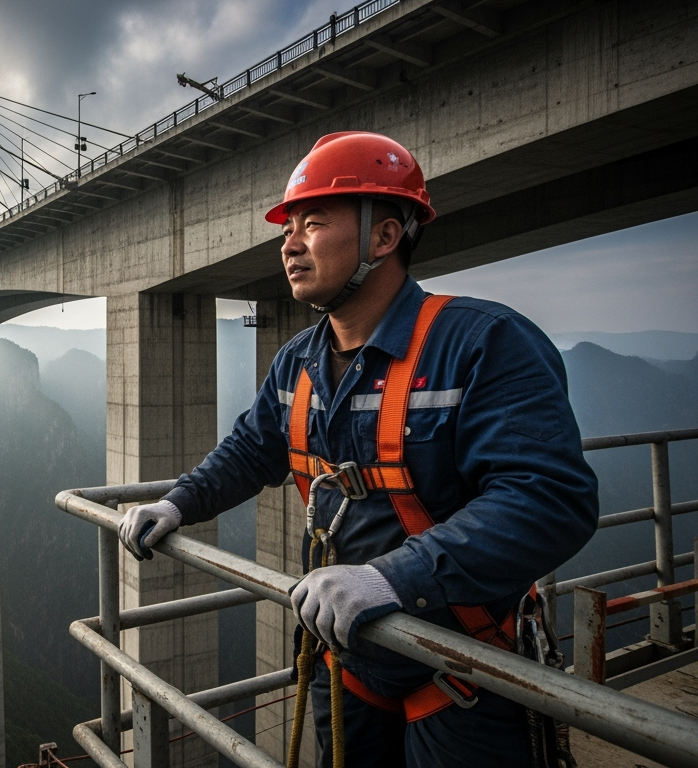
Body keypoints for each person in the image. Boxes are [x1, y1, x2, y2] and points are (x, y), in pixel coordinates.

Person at [116, 132, 599, 767]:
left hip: (460, 670)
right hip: (343, 661)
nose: (289, 245)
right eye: (289, 228)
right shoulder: (299, 363)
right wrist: (180, 503)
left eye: (312, 224)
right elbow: (251, 448)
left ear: (384, 237)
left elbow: (549, 500)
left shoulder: (483, 344)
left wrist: (390, 577)